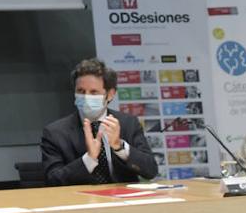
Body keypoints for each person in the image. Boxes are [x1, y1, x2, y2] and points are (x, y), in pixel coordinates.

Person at [40, 58, 158, 186]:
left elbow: (151, 171)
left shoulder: (127, 123)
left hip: (122, 200)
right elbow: (53, 181)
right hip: (81, 201)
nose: (86, 97)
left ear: (110, 94)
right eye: (81, 91)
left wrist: (120, 147)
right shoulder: (55, 132)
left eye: (93, 92)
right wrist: (89, 159)